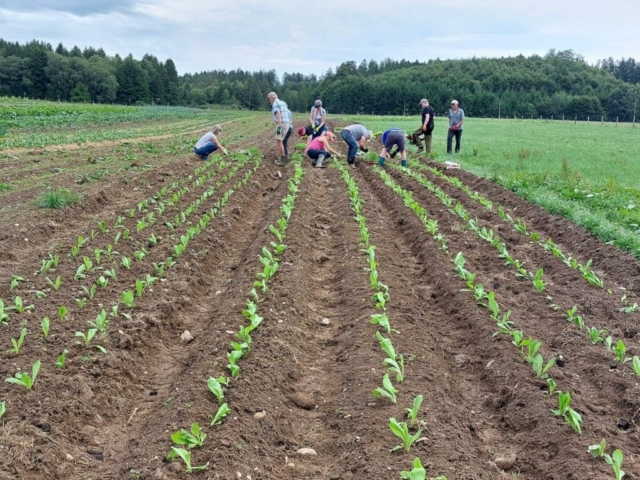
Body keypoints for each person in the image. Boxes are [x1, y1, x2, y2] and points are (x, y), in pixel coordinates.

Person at [267, 92, 293, 166]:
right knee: (280, 141)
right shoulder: (283, 103)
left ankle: (283, 160)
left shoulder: (275, 103)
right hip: (287, 123)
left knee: (279, 141)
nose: (269, 101)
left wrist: (279, 125)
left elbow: (278, 113)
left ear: (271, 97)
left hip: (281, 124)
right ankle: (283, 158)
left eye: (269, 99)